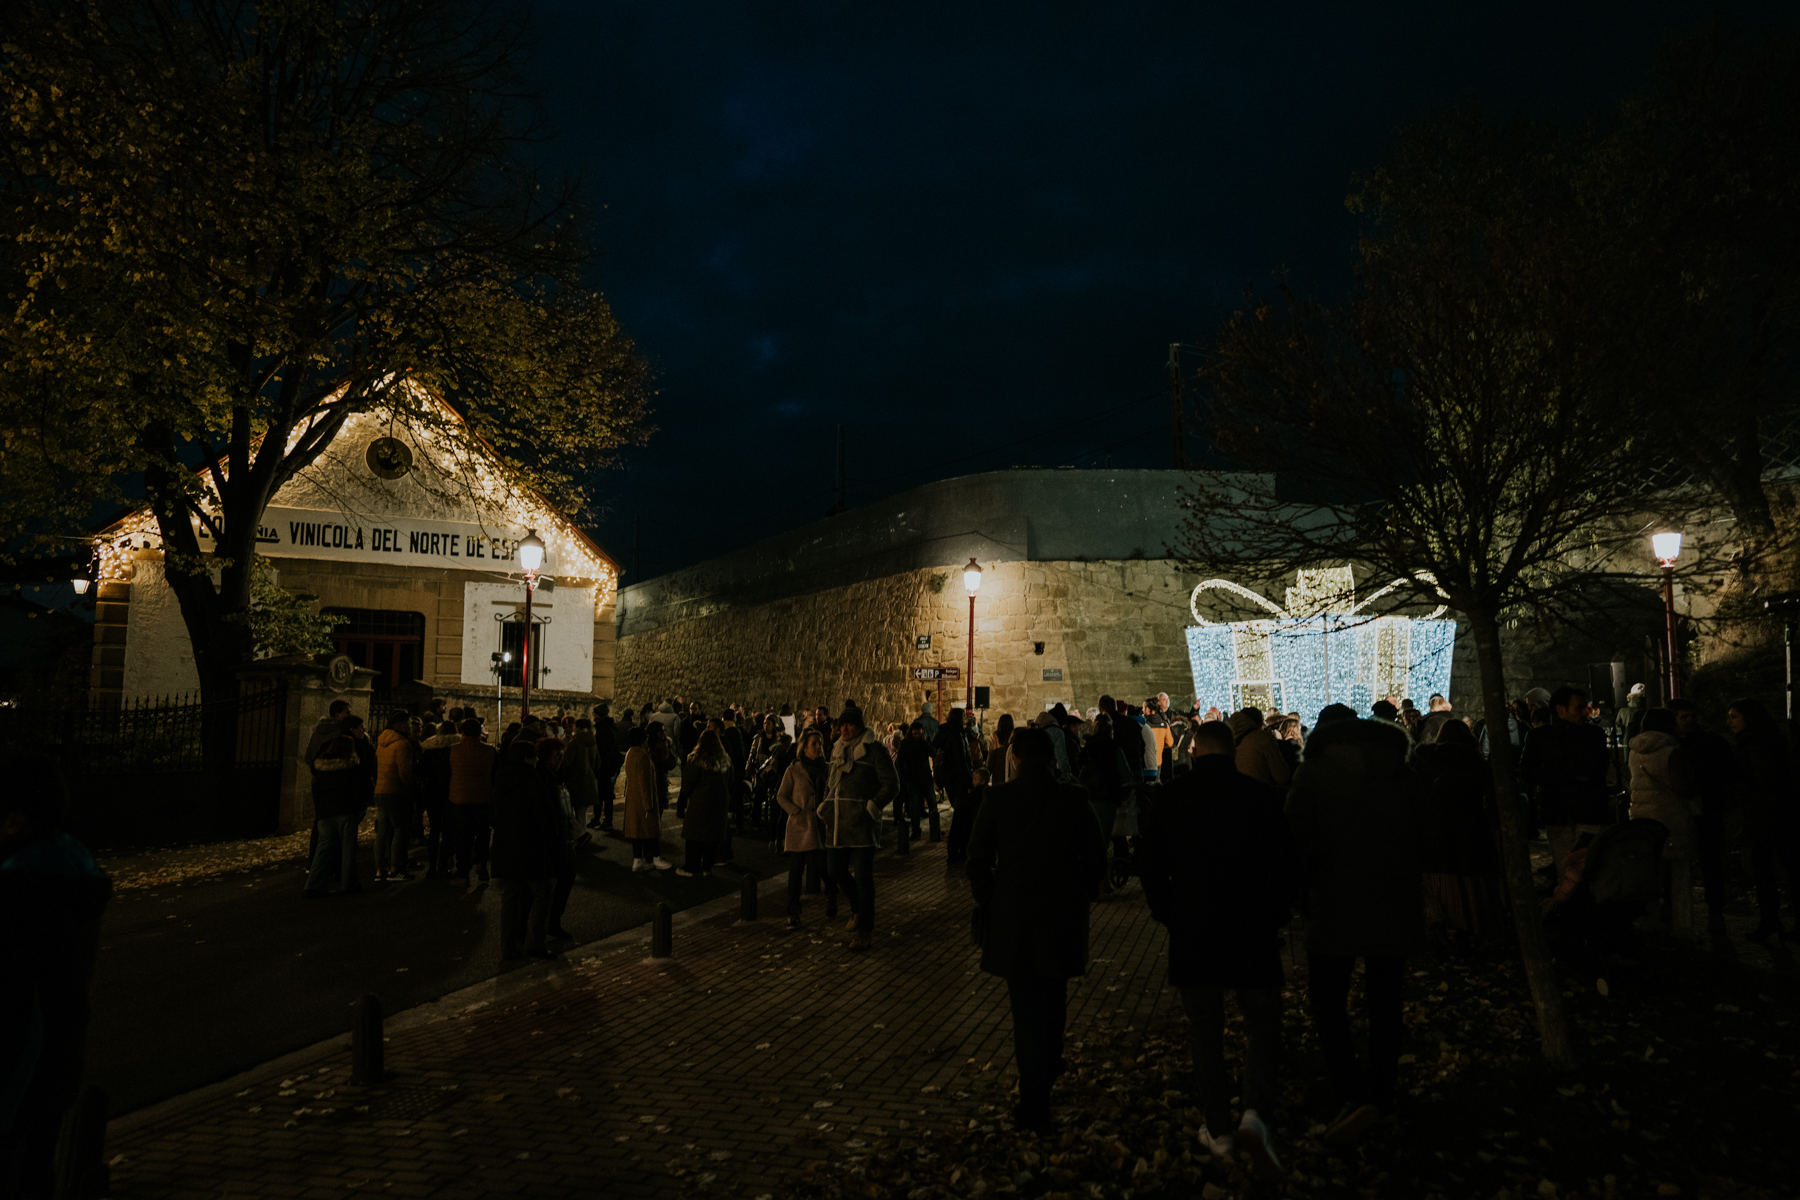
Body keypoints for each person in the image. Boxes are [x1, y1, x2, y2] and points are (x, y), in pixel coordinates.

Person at [1139, 720, 1291, 1175]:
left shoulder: (1170, 799)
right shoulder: (1261, 799)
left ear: (1194, 753)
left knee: (1204, 1031)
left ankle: (1219, 1127)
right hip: (1252, 929)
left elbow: (1150, 865)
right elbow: (1285, 865)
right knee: (1262, 1021)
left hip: (1196, 930)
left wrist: (1168, 911)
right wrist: (1277, 915)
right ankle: (1254, 1112)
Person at [1284, 716, 1426, 1147]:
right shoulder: (1402, 774)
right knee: (1386, 999)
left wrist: (1299, 892)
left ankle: (1350, 1088)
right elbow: (1422, 833)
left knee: (1328, 1000)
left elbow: (1293, 838)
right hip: (1393, 901)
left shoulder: (1313, 774)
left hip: (1333, 902)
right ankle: (1381, 1090)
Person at [966, 726, 1107, 1134]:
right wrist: (1077, 888)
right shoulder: (1073, 799)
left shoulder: (998, 798)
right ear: (1051, 758)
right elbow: (1096, 860)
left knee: (1024, 1007)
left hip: (1013, 916)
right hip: (1060, 914)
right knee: (1053, 997)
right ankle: (1047, 1065)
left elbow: (976, 859)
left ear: (1014, 760)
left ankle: (1034, 1098)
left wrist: (990, 896)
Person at [0, 761, 113, 1197]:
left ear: (14, 821)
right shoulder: (65, 873)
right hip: (51, 1064)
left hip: (15, 1075)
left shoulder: (20, 891)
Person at [1411, 719, 1499, 943]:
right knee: (1467, 887)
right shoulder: (1476, 764)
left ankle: (1437, 921)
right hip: (1469, 834)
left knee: (1433, 883)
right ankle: (1468, 927)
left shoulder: (1424, 761)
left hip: (1435, 834)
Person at [818, 705, 897, 951]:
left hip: (862, 824)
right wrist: (825, 805)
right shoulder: (837, 750)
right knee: (834, 870)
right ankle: (857, 908)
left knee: (863, 878)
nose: (845, 728)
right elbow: (832, 784)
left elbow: (892, 784)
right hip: (838, 822)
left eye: (850, 724)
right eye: (841, 724)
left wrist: (872, 807)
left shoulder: (874, 751)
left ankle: (865, 930)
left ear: (860, 726)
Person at [1728, 698, 1799, 943]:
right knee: (1787, 870)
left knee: (1765, 871)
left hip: (1766, 818)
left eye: (1734, 716)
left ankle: (1770, 921)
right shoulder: (1772, 740)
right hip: (1780, 815)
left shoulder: (1754, 745)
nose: (1730, 722)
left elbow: (1762, 783)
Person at [1520, 686, 1613, 865]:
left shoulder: (1594, 735)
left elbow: (1596, 768)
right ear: (1560, 710)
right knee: (1566, 868)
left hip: (1588, 810)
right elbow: (1527, 772)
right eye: (1579, 708)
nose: (1585, 713)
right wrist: (1567, 777)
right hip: (1558, 812)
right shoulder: (1539, 736)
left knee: (1590, 866)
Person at [1666, 698, 1737, 934]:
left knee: (1711, 860)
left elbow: (1727, 772)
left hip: (1707, 808)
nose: (1689, 721)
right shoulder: (1671, 746)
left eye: (1691, 716)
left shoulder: (1710, 743)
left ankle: (1715, 910)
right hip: (1684, 809)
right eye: (1682, 717)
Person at [1627, 707, 1697, 939]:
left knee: (1651, 873)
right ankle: (1681, 925)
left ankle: (1651, 921)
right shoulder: (1671, 750)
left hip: (1642, 820)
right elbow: (1681, 787)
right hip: (1670, 819)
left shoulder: (1634, 750)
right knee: (1678, 875)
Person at [491, 738, 558, 960]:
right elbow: (546, 817)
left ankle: (508, 948)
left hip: (505, 845)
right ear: (528, 759)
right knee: (543, 893)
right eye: (536, 757)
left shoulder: (501, 778)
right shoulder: (532, 779)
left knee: (509, 898)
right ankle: (535, 944)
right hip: (531, 846)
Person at [776, 730, 838, 928]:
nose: (819, 747)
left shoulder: (827, 769)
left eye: (820, 743)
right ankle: (794, 909)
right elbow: (781, 795)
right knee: (795, 871)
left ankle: (831, 896)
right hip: (800, 826)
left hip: (820, 825)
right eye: (814, 743)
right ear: (804, 747)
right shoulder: (793, 770)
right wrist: (794, 811)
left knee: (824, 868)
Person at [304, 735, 369, 896]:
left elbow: (317, 791)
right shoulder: (352, 766)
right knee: (347, 848)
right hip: (345, 810)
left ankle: (313, 885)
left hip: (325, 812)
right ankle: (348, 884)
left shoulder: (320, 767)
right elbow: (357, 790)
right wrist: (359, 807)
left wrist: (319, 810)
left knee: (323, 849)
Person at [447, 717, 497, 886]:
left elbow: (447, 774)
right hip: (482, 798)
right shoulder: (490, 751)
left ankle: (463, 874)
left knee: (462, 837)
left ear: (463, 732)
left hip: (458, 798)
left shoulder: (453, 750)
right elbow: (494, 775)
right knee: (483, 832)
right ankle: (481, 862)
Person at [677, 729, 733, 877]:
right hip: (719, 803)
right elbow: (730, 781)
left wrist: (689, 796)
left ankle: (692, 867)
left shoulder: (696, 760)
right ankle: (707, 867)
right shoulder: (725, 761)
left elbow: (687, 783)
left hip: (700, 803)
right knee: (712, 837)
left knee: (695, 837)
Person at [373, 711, 418, 883]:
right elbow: (405, 773)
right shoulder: (403, 744)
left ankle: (379, 870)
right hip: (396, 792)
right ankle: (394, 868)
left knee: (382, 832)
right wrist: (412, 787)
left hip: (381, 790)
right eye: (408, 723)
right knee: (400, 830)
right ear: (400, 726)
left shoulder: (382, 742)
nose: (410, 726)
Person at [621, 728, 672, 872]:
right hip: (643, 798)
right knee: (650, 830)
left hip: (633, 797)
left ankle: (638, 860)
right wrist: (648, 803)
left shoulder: (631, 752)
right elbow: (645, 781)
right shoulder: (642, 755)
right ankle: (656, 858)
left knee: (636, 830)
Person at [935, 707, 976, 863]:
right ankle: (956, 853)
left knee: (960, 816)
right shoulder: (957, 735)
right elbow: (961, 762)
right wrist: (969, 783)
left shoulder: (944, 732)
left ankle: (956, 852)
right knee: (961, 817)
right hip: (958, 781)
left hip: (950, 780)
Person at [418, 720, 458, 878]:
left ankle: (431, 866)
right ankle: (444, 863)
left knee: (434, 829)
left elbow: (421, 771)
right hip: (450, 790)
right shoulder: (457, 747)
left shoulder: (430, 748)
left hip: (432, 791)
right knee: (448, 828)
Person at [1230, 707, 1293, 790]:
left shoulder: (1228, 740)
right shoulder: (1264, 738)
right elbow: (1281, 776)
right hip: (1261, 794)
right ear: (1259, 721)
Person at [894, 721, 937, 844]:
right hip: (912, 779)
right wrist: (905, 777)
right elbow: (899, 762)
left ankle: (935, 828)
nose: (917, 736)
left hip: (925, 778)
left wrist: (925, 742)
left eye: (919, 734)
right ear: (911, 733)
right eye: (915, 733)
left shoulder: (924, 743)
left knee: (932, 803)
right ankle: (916, 831)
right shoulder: (905, 744)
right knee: (915, 807)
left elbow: (933, 753)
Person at [562, 718, 601, 839]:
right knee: (582, 813)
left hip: (575, 782)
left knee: (570, 813)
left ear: (577, 727)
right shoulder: (593, 742)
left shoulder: (574, 742)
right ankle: (583, 837)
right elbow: (598, 763)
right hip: (589, 781)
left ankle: (578, 838)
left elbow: (566, 762)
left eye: (574, 726)